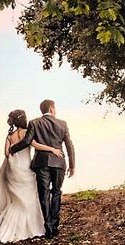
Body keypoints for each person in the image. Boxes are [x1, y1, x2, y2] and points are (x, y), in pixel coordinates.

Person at [0, 109, 62, 242]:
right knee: (30, 196)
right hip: (25, 168)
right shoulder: (27, 133)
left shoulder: (9, 136)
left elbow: (7, 153)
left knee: (17, 200)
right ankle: (32, 226)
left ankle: (7, 228)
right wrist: (52, 149)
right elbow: (36, 145)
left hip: (13, 169)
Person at [9, 98, 75, 237]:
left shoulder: (34, 122)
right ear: (51, 109)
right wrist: (72, 165)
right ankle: (55, 225)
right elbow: (69, 145)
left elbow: (27, 141)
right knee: (56, 192)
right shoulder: (62, 124)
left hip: (41, 163)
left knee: (43, 194)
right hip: (58, 163)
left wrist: (13, 149)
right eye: (55, 109)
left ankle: (48, 226)